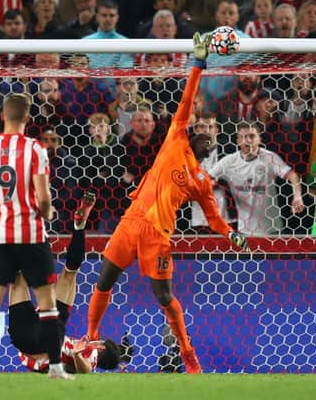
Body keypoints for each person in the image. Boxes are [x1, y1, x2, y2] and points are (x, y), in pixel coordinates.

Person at [86, 33, 251, 374]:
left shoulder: (201, 181)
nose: (206, 132)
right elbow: (188, 99)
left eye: (211, 131)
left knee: (163, 298)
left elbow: (214, 217)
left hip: (157, 236)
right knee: (103, 282)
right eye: (201, 128)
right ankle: (91, 337)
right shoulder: (176, 136)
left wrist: (230, 234)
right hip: (130, 222)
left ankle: (188, 354)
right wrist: (198, 63)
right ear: (192, 132)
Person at [0, 93, 72, 380]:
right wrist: (47, 213)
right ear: (27, 117)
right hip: (30, 234)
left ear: (2, 116)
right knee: (46, 302)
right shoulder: (35, 149)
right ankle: (54, 367)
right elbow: (43, 196)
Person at [10, 193, 128, 374]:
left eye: (99, 341)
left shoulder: (92, 354)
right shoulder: (81, 350)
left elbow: (86, 370)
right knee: (18, 280)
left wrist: (78, 355)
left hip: (48, 338)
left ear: (101, 346)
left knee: (69, 274)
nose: (94, 341)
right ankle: (27, 227)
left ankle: (73, 227)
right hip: (23, 340)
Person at [208, 122, 305, 236]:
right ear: (238, 140)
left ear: (259, 139)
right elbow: (205, 178)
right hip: (244, 231)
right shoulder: (229, 161)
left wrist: (297, 196)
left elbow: (292, 175)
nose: (248, 140)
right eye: (244, 137)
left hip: (273, 230)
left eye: (252, 136)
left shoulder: (269, 157)